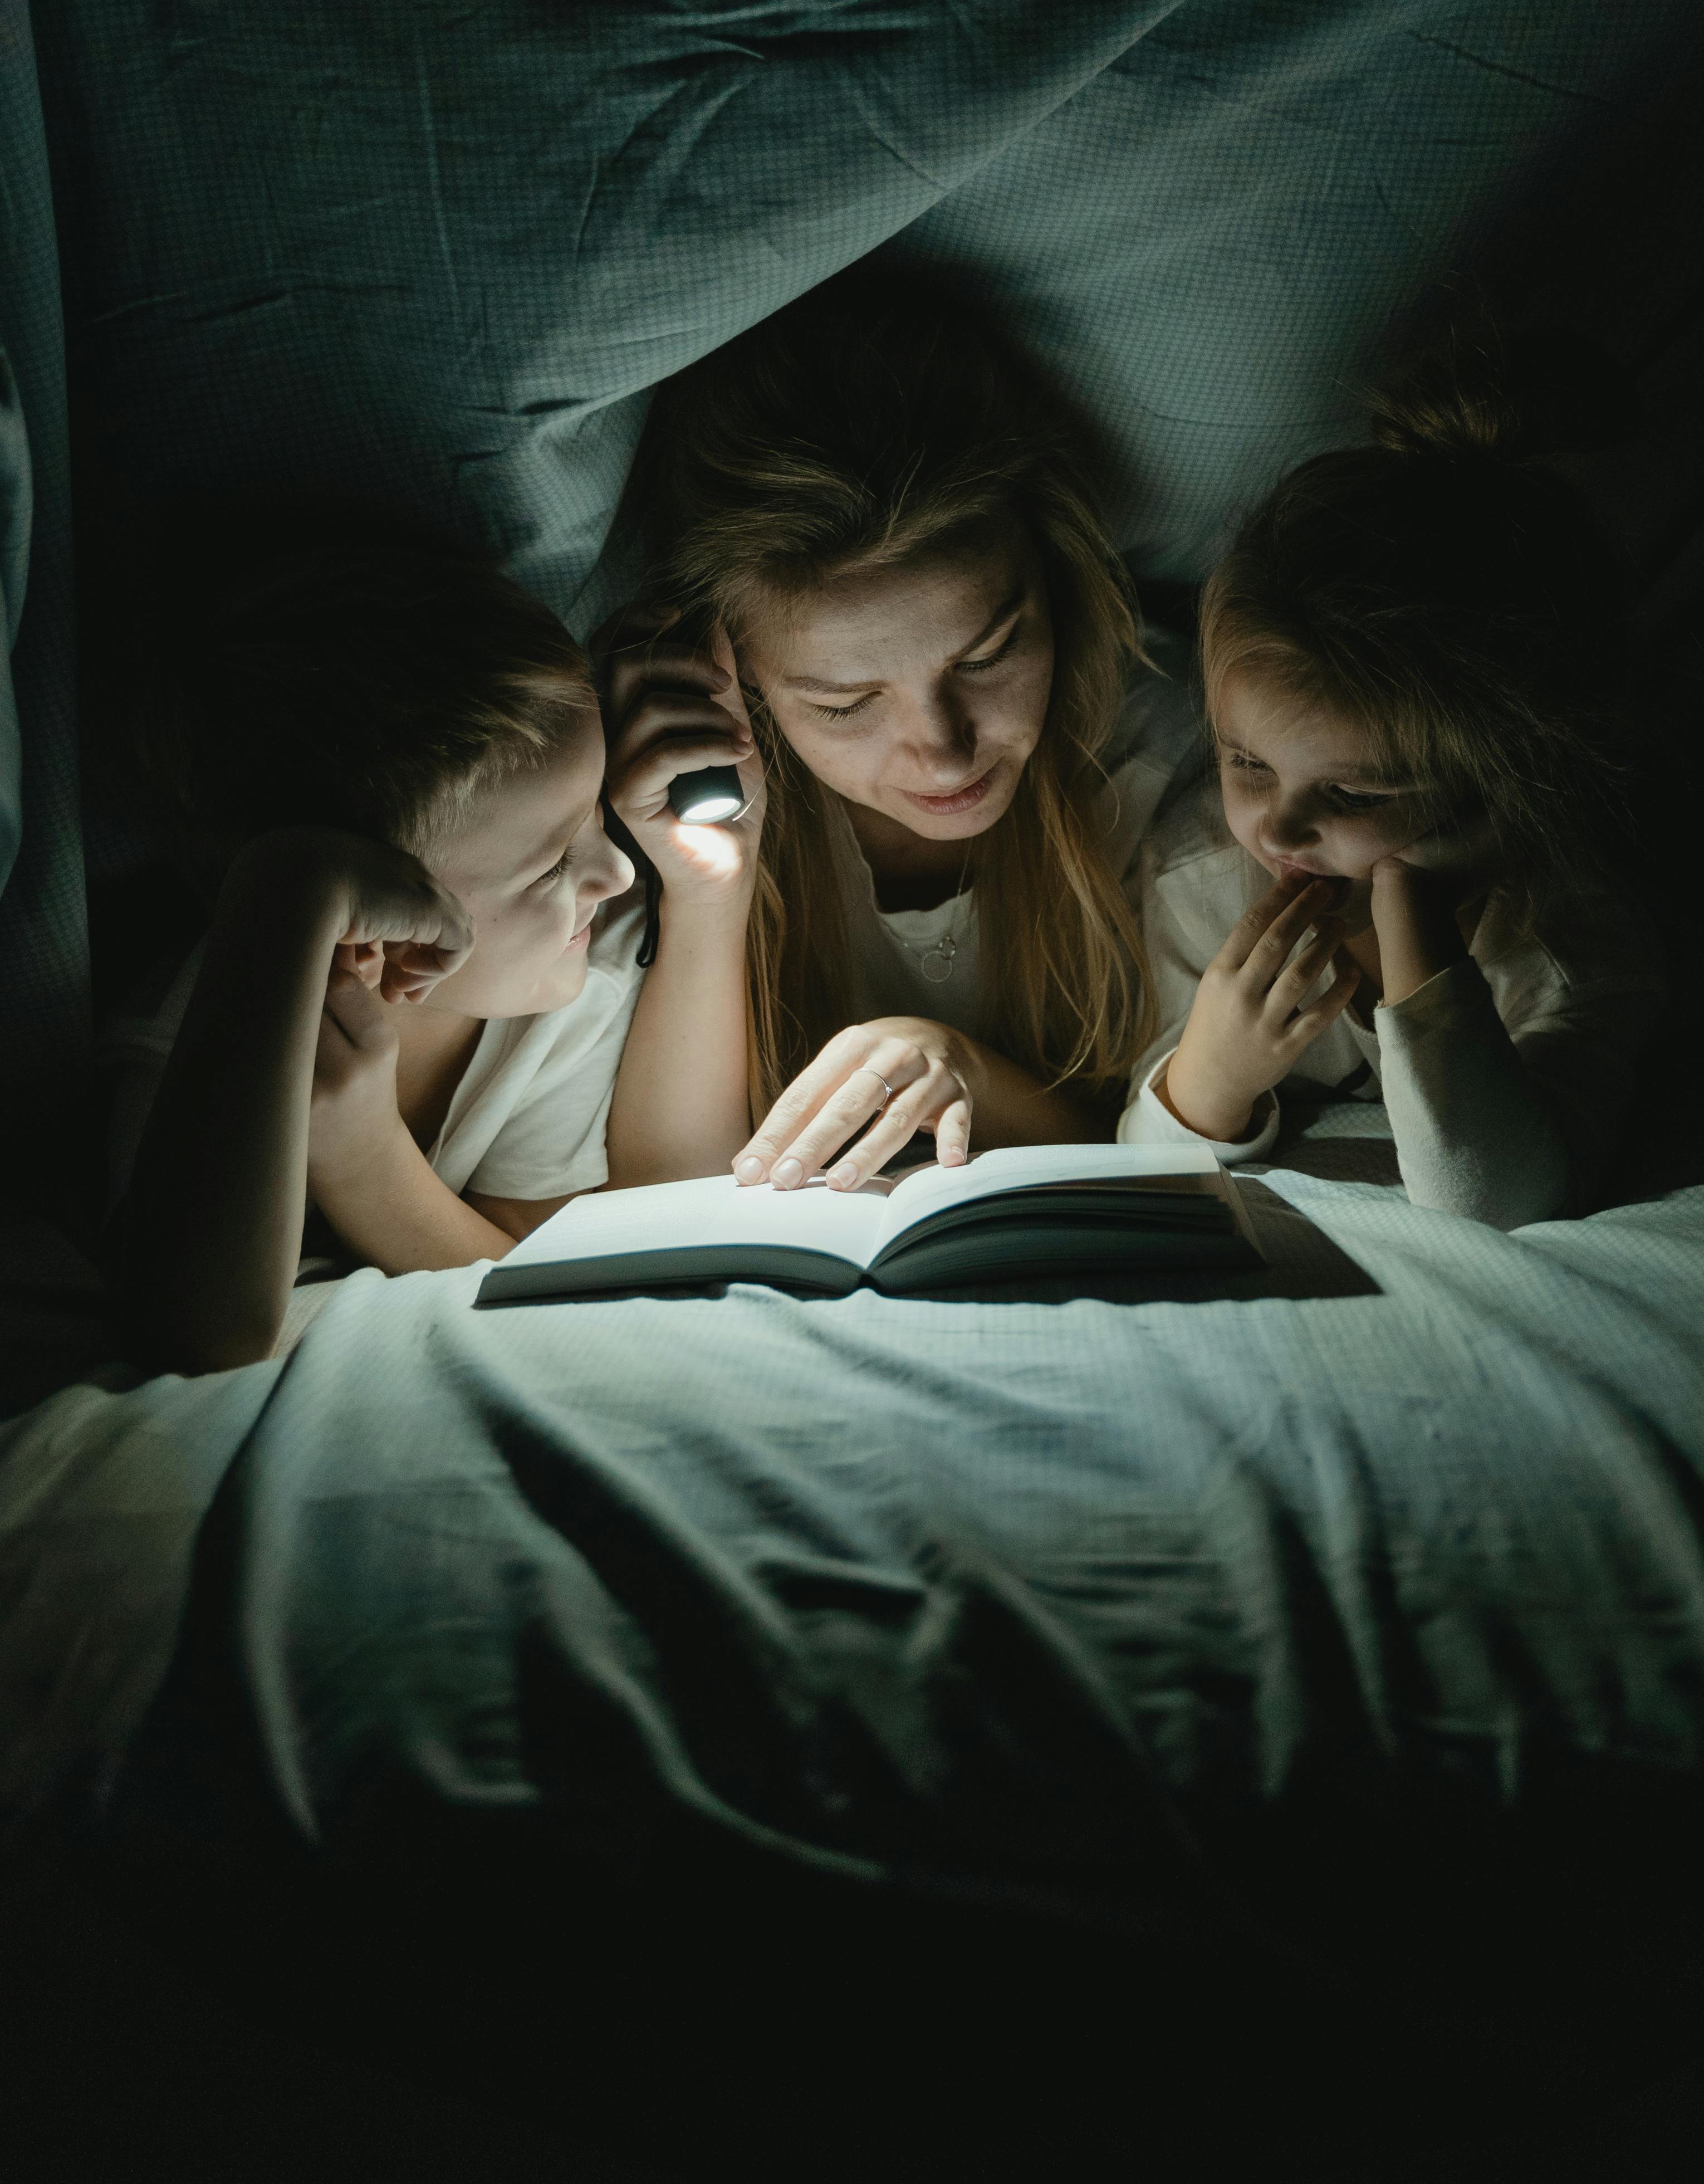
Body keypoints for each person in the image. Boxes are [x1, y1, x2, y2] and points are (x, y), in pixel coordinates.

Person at [598, 272, 1189, 1193]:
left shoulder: (1166, 755)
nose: (946, 751)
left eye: (990, 653)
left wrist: (963, 1066)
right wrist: (707, 904)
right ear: (735, 674)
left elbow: (1184, 1138)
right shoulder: (681, 788)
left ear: (1054, 576)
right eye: (842, 703)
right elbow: (668, 1188)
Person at [1119, 333, 1667, 1228]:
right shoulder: (1205, 877)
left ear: (1504, 793)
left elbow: (1494, 1196)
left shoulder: (1562, 934)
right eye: (1247, 763)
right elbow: (1143, 1162)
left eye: (1357, 795)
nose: (1278, 832)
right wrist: (1210, 1078)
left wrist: (1412, 920)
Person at [100, 538, 638, 1372]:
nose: (620, 871)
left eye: (596, 815)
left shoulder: (560, 995)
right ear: (377, 924)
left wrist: (365, 1158)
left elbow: (536, 1270)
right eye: (553, 863)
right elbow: (200, 1334)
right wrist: (290, 891)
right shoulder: (186, 1049)